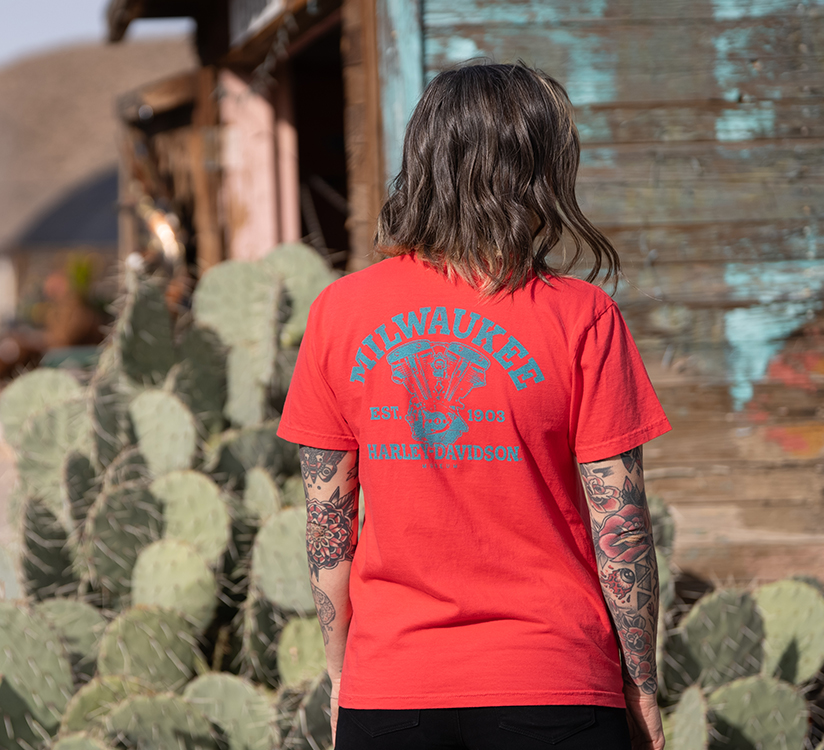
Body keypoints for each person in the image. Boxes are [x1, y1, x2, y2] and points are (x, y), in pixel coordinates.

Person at [277, 62, 670, 750]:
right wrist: (640, 686)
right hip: (556, 687)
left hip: (393, 691)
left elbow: (327, 527)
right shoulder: (583, 316)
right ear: (541, 167)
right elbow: (622, 530)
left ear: (423, 161)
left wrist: (342, 674)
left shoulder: (341, 313)